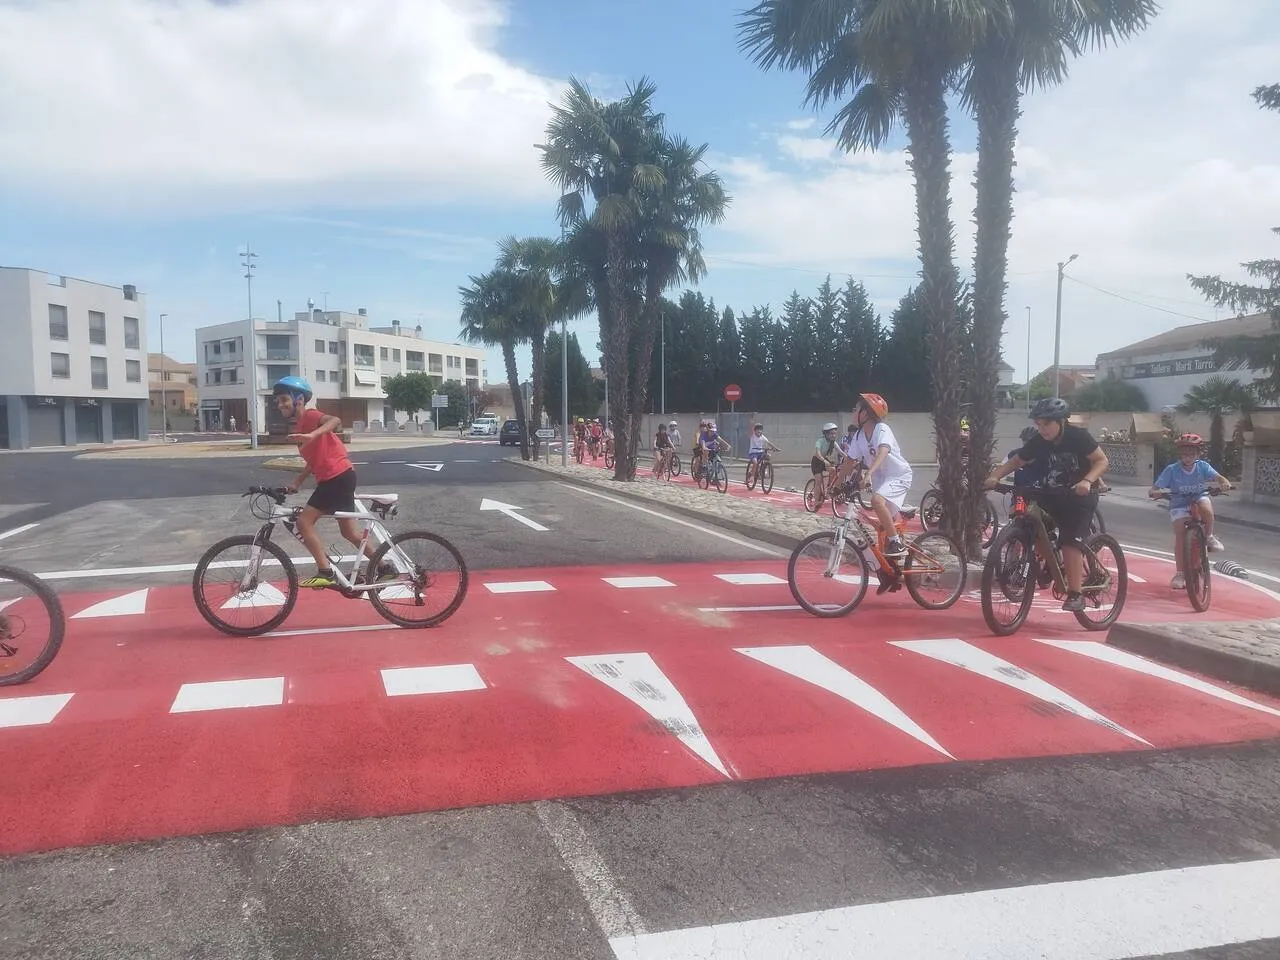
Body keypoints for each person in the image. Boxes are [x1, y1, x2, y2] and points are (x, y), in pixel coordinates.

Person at [983, 397, 1109, 612]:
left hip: (1080, 495)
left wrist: (1087, 481)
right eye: (1038, 424)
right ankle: (1055, 564)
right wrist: (994, 477)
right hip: (1051, 492)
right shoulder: (1040, 441)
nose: (1042, 429)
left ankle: (1076, 594)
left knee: (1070, 541)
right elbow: (1016, 461)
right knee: (1032, 524)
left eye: (1047, 424)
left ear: (1061, 421)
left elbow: (1101, 460)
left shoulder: (1078, 437)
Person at [273, 376, 388, 589]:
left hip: (336, 478)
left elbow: (335, 420)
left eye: (283, 400)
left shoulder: (310, 415)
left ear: (299, 399)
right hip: (339, 476)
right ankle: (384, 568)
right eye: (277, 402)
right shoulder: (300, 425)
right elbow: (314, 460)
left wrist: (313, 434)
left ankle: (325, 572)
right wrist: (297, 482)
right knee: (349, 532)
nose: (280, 405)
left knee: (303, 522)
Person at [1150, 433, 1230, 590]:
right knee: (1180, 535)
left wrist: (1224, 482)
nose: (1187, 458)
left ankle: (1209, 537)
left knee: (1207, 509)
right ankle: (1180, 573)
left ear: (1198, 455)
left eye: (1191, 454)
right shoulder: (1172, 470)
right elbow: (1155, 487)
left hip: (1199, 497)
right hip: (1178, 503)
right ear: (1180, 455)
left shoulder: (1203, 467)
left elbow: (1219, 478)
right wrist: (1155, 492)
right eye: (1184, 455)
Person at [846, 393, 913, 559]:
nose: (853, 412)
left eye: (856, 409)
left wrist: (868, 473)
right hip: (881, 479)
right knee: (882, 528)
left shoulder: (882, 429)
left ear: (866, 413)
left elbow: (883, 450)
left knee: (876, 501)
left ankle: (896, 543)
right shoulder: (859, 436)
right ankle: (892, 566)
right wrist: (835, 486)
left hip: (899, 476)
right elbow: (849, 461)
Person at [811, 421, 844, 501]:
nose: (833, 435)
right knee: (818, 481)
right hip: (816, 461)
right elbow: (817, 453)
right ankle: (816, 501)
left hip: (824, 460)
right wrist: (824, 461)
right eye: (831, 433)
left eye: (835, 433)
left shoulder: (833, 442)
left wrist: (849, 459)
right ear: (826, 434)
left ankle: (828, 488)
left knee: (833, 470)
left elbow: (841, 452)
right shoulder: (820, 441)